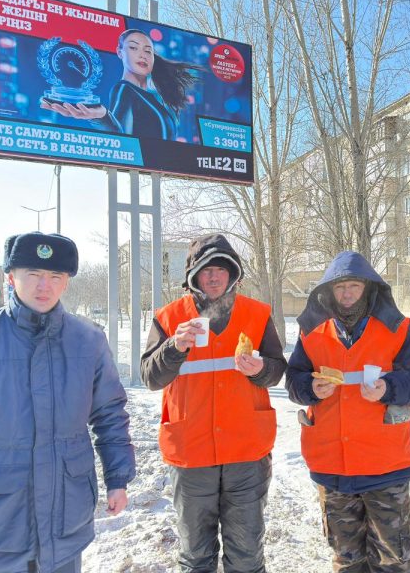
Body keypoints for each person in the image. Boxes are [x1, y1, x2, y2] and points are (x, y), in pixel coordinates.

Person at [0, 232, 136, 573]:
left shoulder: (89, 341)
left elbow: (109, 413)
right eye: (32, 274)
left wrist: (118, 475)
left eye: (55, 277)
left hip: (67, 522)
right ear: (10, 277)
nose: (43, 286)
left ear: (66, 282)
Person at [140, 233, 287, 573]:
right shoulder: (169, 317)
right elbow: (150, 377)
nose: (214, 276)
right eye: (206, 270)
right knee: (196, 556)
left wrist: (262, 369)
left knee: (247, 556)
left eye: (222, 269)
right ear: (194, 276)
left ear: (233, 274)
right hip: (192, 454)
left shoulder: (257, 314)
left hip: (246, 452)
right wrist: (173, 348)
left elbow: (277, 369)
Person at [285, 251, 410, 573]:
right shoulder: (312, 334)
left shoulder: (397, 329)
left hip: (385, 467)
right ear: (328, 292)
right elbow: (293, 382)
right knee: (346, 561)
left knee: (394, 560)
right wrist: (310, 389)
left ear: (368, 289)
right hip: (332, 467)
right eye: (340, 288)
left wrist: (389, 388)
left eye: (354, 286)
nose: (347, 294)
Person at [41, 28, 197, 140]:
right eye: (134, 47)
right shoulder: (124, 90)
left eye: (148, 50)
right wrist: (101, 116)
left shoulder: (154, 97)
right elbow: (122, 142)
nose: (142, 55)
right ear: (119, 52)